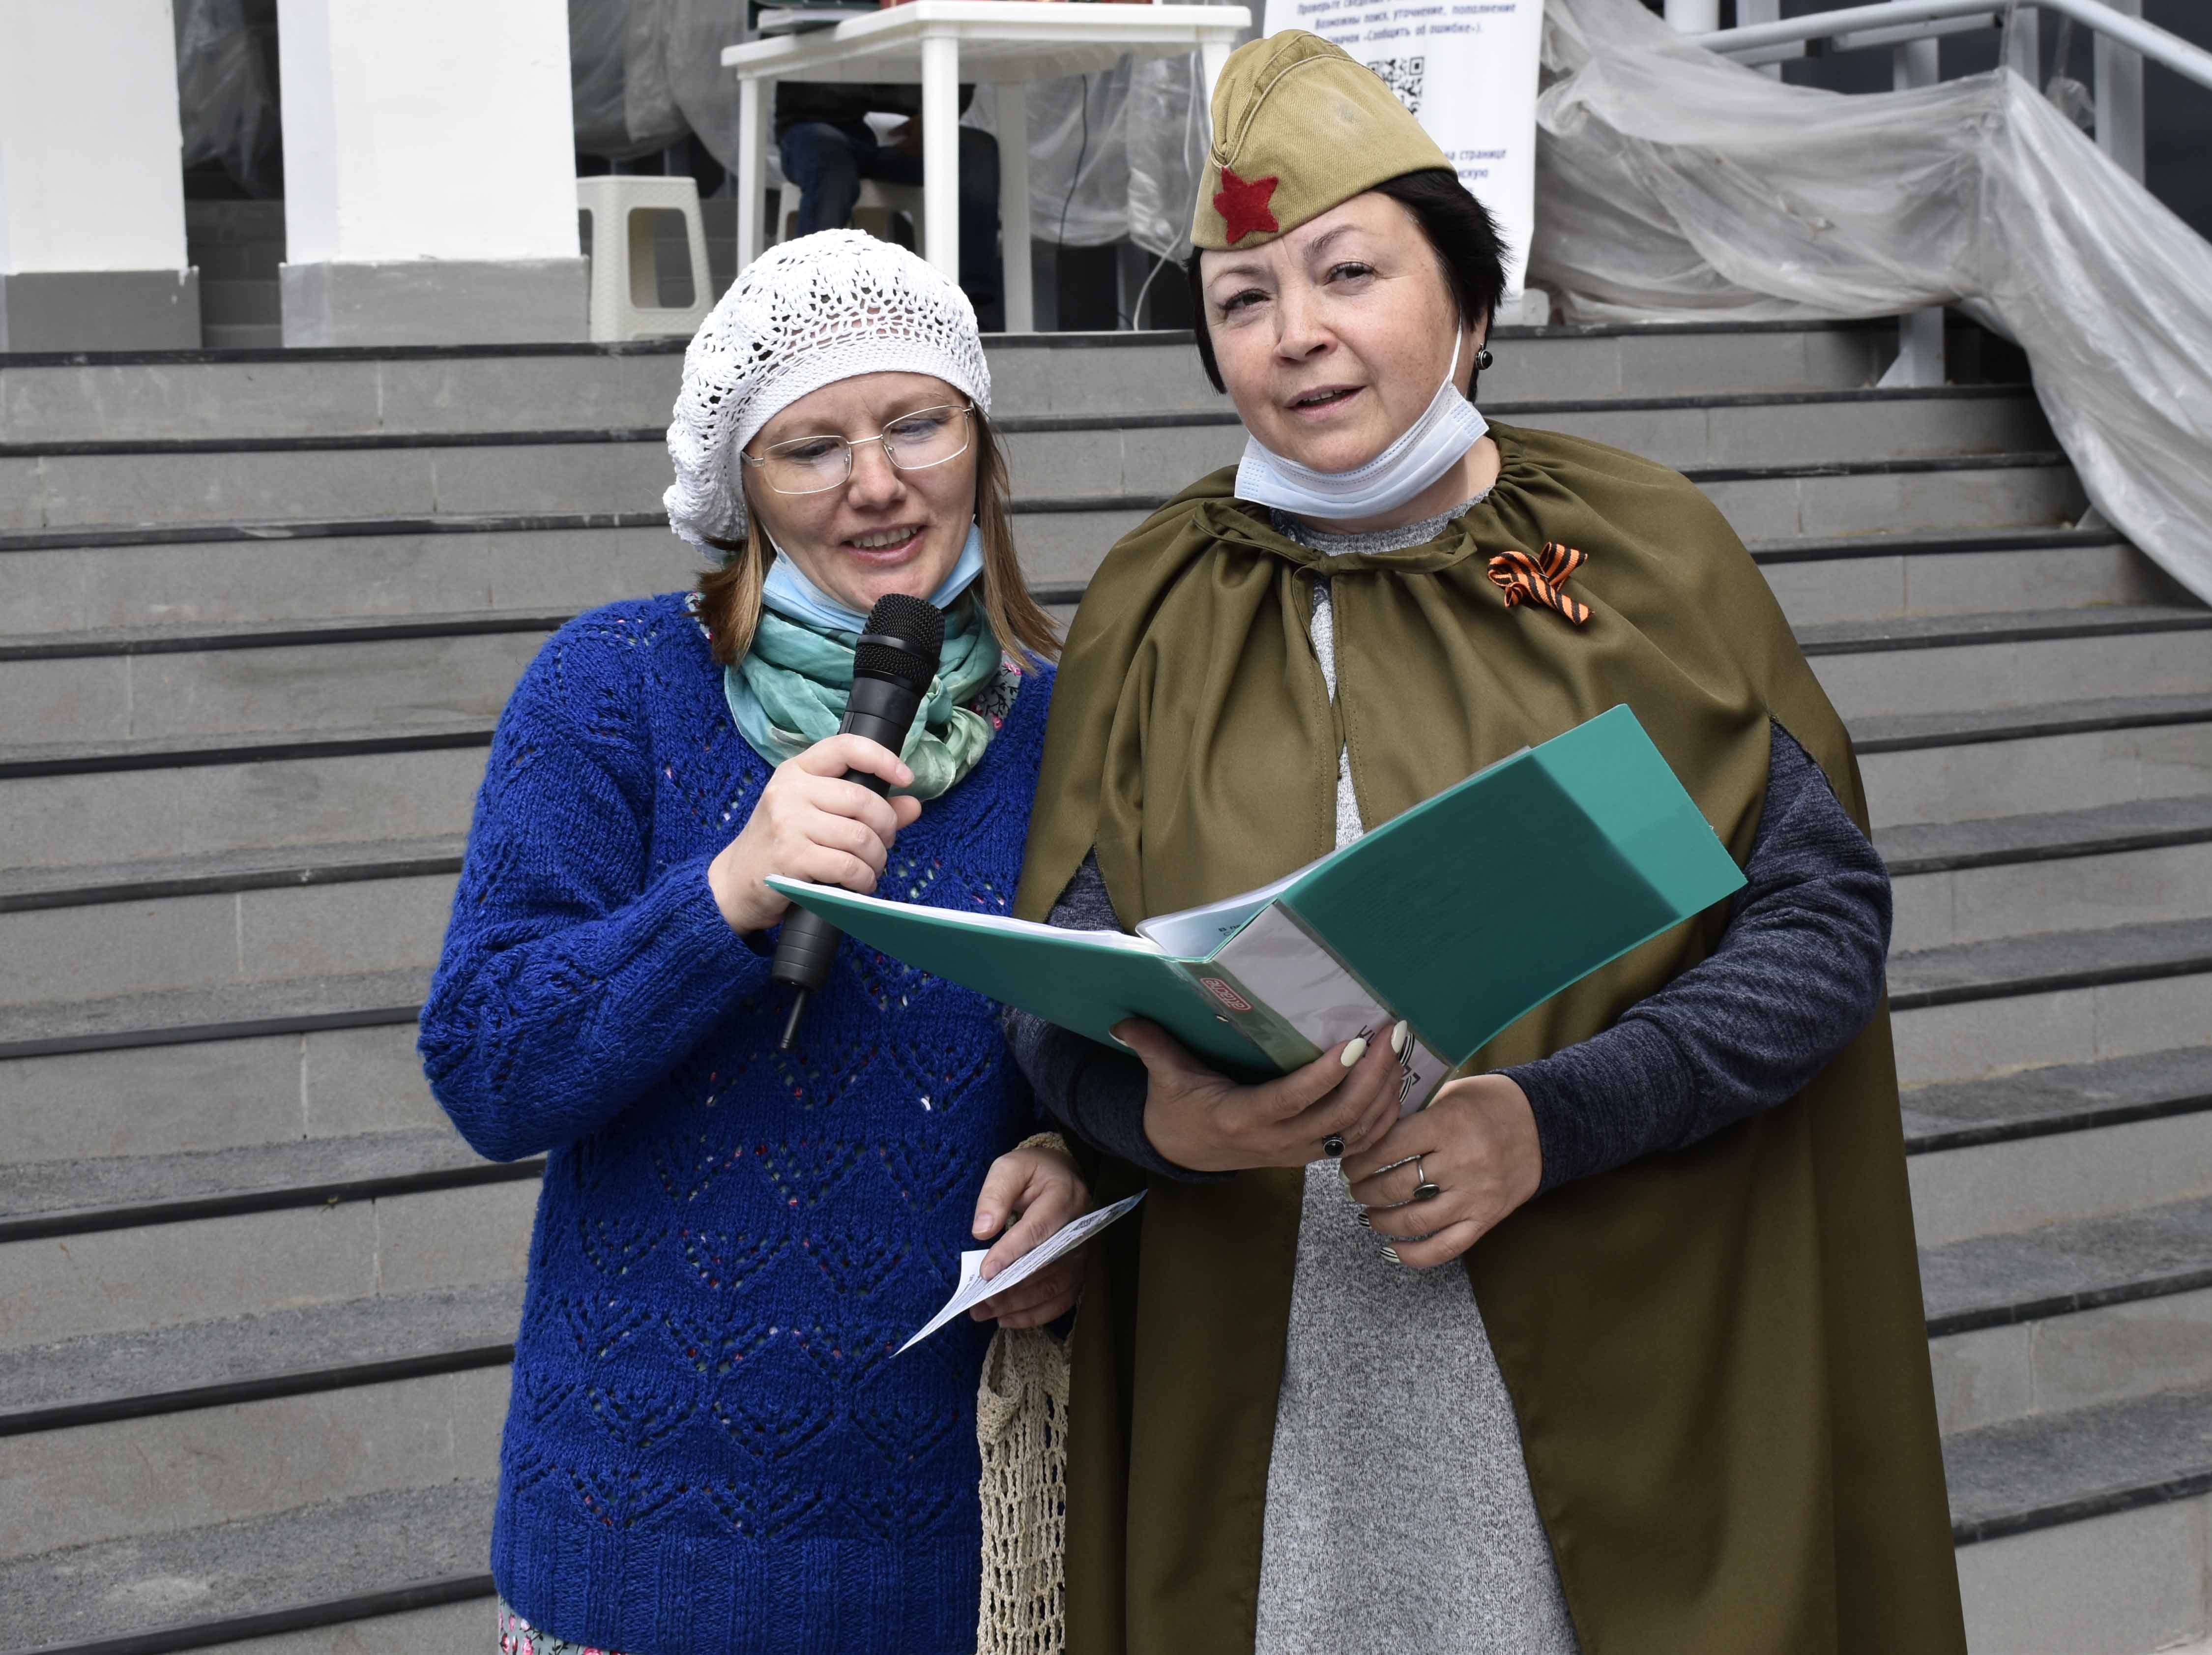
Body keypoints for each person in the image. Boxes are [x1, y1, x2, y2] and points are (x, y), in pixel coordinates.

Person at [1005, 31, 1965, 1655]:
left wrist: (1551, 1116)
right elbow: (1063, 974)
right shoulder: (1161, 601)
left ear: (1465, 293)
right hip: (1273, 1418)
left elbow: (1819, 931)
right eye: (1243, 299)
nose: (1296, 334)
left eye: (1346, 272)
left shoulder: (1645, 554)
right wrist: (1148, 1108)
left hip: (1628, 1385)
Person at [419, 229, 1075, 1655]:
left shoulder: (1069, 725)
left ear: (980, 441)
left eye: (916, 423)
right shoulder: (614, 688)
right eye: (811, 447)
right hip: (635, 1538)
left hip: (963, 1548)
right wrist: (724, 891)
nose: (879, 482)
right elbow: (485, 1058)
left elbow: (1109, 1045)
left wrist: (1074, 1162)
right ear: (741, 492)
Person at [777, 82, 1003, 328]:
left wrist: (936, 115)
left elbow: (960, 63)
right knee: (832, 171)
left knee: (977, 151)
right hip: (819, 123)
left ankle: (968, 311)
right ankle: (811, 307)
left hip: (908, 127)